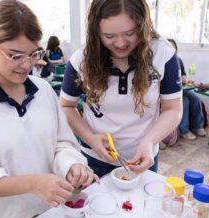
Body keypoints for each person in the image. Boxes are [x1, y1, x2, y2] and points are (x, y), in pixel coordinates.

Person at [0, 1, 98, 218]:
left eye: (34, 54)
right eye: (15, 55)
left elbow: (61, 142)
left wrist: (71, 164)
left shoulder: (43, 90)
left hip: (51, 211)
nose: (27, 65)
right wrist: (33, 183)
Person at [60, 0, 183, 177]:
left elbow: (173, 109)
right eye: (109, 36)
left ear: (142, 25)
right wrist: (91, 139)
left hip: (143, 158)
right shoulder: (82, 59)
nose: (120, 44)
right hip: (95, 158)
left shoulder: (163, 53)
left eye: (130, 33)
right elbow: (66, 106)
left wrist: (149, 142)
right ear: (96, 32)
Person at [168, 39, 206, 140]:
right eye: (168, 47)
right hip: (167, 92)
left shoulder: (178, 60)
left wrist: (185, 78)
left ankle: (198, 126)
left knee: (196, 99)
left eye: (173, 47)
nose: (171, 49)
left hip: (180, 89)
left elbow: (184, 75)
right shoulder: (159, 61)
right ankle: (184, 130)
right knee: (184, 102)